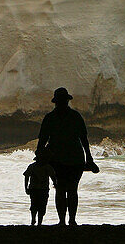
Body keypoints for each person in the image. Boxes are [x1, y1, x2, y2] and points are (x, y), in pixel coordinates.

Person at [36, 87, 99, 225]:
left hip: (56, 159)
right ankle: (71, 220)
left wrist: (39, 156)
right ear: (67, 100)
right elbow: (84, 140)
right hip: (75, 158)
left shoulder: (50, 118)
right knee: (72, 190)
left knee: (60, 190)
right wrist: (89, 159)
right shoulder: (76, 117)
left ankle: (63, 221)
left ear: (55, 101)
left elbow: (42, 140)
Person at [23, 148, 59, 225]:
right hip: (41, 189)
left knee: (36, 205)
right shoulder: (47, 167)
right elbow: (53, 177)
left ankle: (36, 221)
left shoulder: (33, 166)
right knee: (40, 206)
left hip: (37, 189)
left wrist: (26, 187)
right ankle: (37, 221)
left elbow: (26, 177)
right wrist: (55, 184)